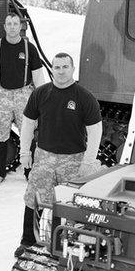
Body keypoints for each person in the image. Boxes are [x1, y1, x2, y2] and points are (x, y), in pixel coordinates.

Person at [16, 52, 102, 257]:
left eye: (65, 67)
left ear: (72, 69)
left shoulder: (84, 97)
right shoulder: (41, 94)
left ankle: (70, 244)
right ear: (51, 69)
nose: (61, 71)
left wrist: (88, 162)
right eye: (57, 67)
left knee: (73, 205)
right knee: (33, 200)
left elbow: (96, 130)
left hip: (73, 160)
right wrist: (24, 151)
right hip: (44, 156)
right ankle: (27, 242)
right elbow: (28, 123)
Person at [0, 12, 49, 186]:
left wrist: (44, 101)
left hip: (24, 94)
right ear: (4, 27)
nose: (12, 27)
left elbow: (38, 76)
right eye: (8, 24)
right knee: (0, 134)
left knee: (28, 133)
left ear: (21, 26)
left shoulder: (28, 48)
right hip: (2, 94)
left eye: (15, 24)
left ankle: (30, 172)